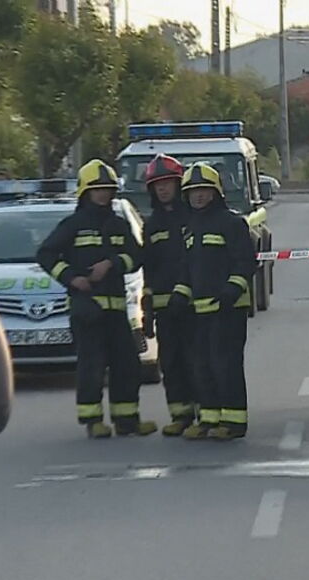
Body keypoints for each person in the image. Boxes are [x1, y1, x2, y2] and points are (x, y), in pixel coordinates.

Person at [37, 159, 157, 438]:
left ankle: (127, 420)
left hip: (117, 310)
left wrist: (112, 263)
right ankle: (93, 421)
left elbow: (136, 257)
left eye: (107, 189)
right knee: (92, 367)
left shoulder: (118, 225)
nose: (103, 194)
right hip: (87, 309)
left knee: (127, 365)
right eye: (97, 189)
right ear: (85, 192)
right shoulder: (73, 225)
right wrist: (71, 277)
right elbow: (46, 254)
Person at [170, 163, 254, 441]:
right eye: (193, 191)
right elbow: (187, 268)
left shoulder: (232, 223)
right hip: (200, 312)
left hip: (228, 310)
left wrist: (232, 290)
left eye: (204, 190)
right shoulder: (190, 228)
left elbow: (245, 262)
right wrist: (179, 294)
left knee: (225, 367)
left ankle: (234, 422)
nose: (198, 196)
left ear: (216, 192)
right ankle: (209, 419)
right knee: (202, 367)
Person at [141, 154, 197, 436]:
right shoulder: (152, 224)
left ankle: (206, 413)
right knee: (171, 363)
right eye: (157, 185)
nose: (163, 189)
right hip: (165, 311)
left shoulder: (193, 218)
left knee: (197, 360)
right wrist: (148, 307)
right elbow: (149, 268)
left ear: (178, 184)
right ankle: (180, 415)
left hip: (194, 306)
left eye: (167, 183)